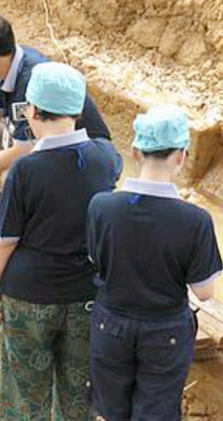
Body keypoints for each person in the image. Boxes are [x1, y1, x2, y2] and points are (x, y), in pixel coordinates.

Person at [0, 62, 122, 421]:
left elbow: (5, 238)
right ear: (77, 111)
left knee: (24, 392)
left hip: (30, 294)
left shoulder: (27, 169)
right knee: (78, 393)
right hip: (85, 295)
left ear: (33, 111)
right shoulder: (105, 158)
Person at [87, 105, 222, 421]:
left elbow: (95, 260)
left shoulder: (102, 206)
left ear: (135, 151)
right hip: (165, 331)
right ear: (181, 157)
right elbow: (203, 292)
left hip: (111, 323)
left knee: (108, 411)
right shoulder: (195, 220)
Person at [0, 14, 112, 216]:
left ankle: (32, 224)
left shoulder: (30, 82)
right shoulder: (6, 65)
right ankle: (3, 199)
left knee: (13, 175)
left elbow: (23, 150)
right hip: (34, 144)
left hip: (80, 159)